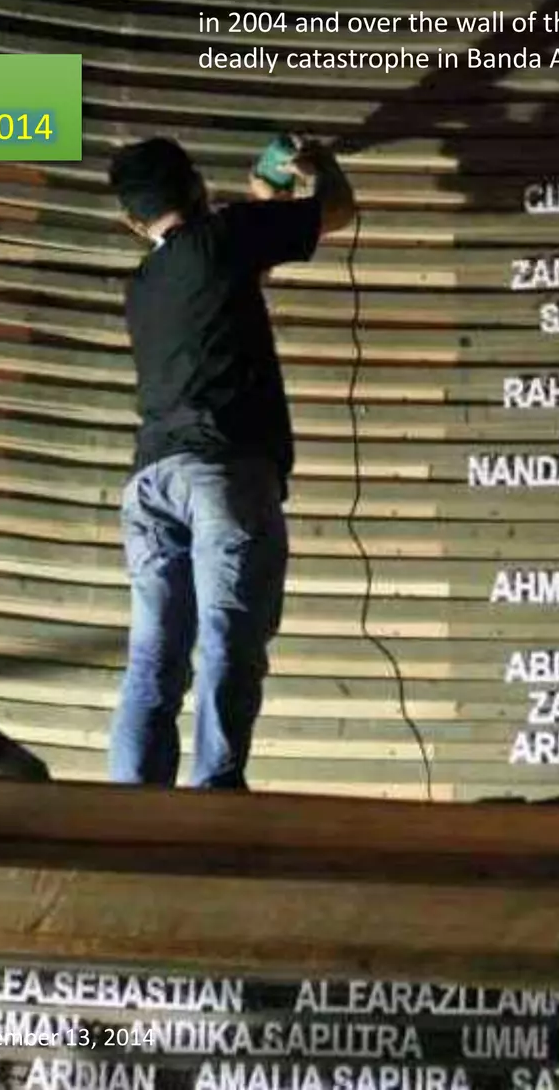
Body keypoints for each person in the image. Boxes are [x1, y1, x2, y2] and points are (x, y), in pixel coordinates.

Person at [104, 134, 355, 788]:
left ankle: (128, 807)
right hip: (221, 472)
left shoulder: (144, 285)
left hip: (150, 483)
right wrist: (317, 166)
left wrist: (266, 200)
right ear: (196, 187)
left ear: (132, 222)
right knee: (228, 647)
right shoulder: (228, 235)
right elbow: (338, 209)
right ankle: (214, 793)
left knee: (154, 658)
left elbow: (240, 279)